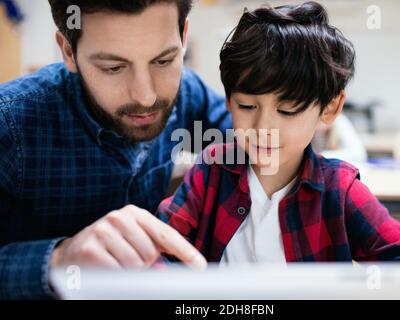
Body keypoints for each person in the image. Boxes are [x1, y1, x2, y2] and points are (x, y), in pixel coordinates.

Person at [157, 1, 400, 299]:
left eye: (288, 110)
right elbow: (157, 249)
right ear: (229, 101)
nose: (263, 127)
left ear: (330, 108)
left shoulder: (339, 190)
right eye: (247, 106)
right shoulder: (212, 171)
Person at [0, 0, 231, 299]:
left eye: (163, 60)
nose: (146, 97)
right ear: (68, 51)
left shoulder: (189, 93)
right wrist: (58, 260)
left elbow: (252, 145)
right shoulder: (11, 122)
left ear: (183, 36)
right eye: (114, 67)